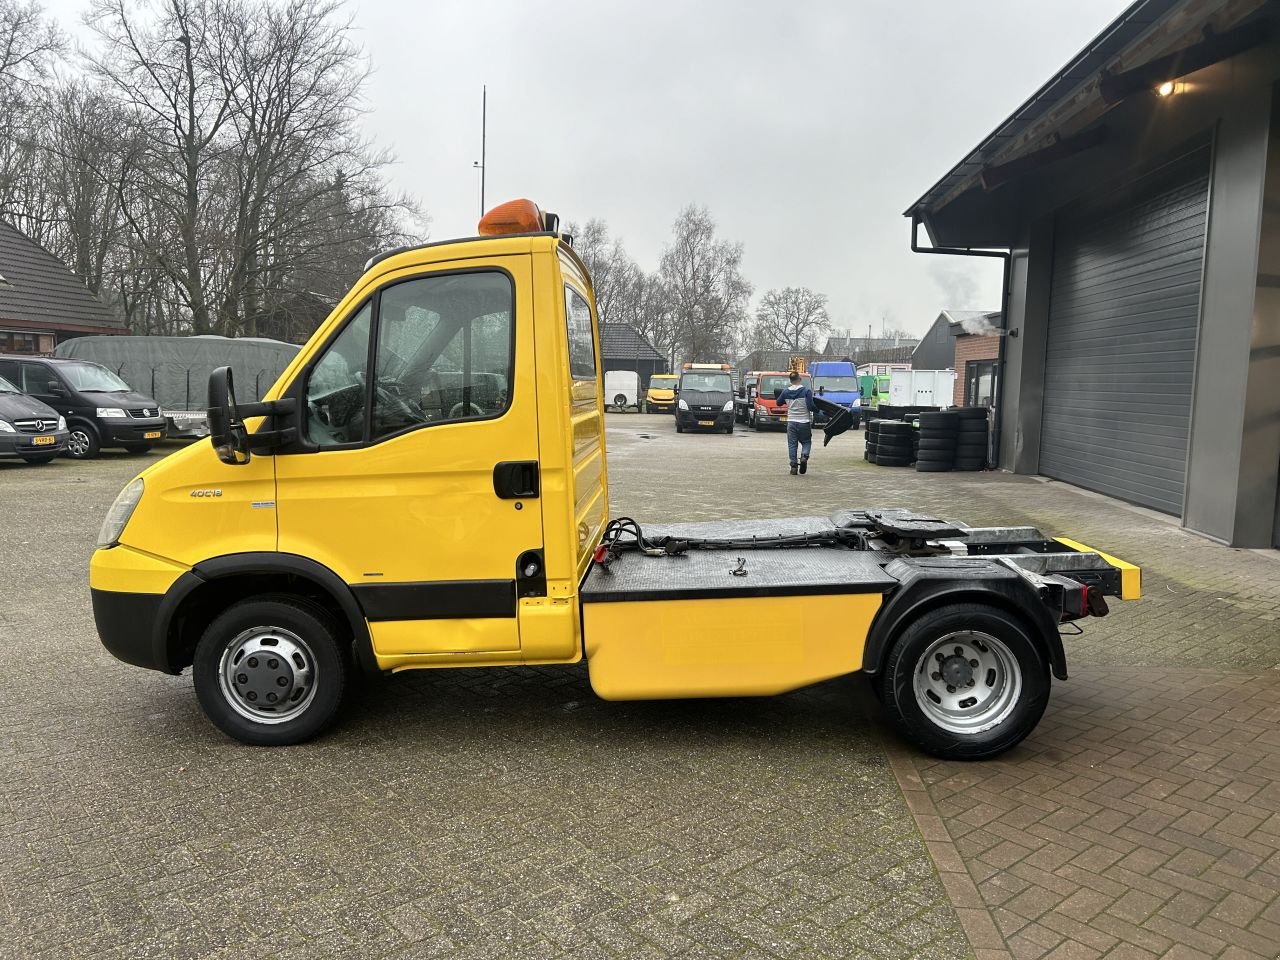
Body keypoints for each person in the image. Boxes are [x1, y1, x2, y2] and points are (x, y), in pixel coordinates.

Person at [775, 371, 814, 475]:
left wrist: (787, 401)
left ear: (790, 380)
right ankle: (804, 456)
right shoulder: (806, 391)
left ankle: (793, 467)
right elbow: (810, 406)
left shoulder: (785, 392)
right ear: (799, 379)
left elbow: (778, 402)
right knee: (806, 442)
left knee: (792, 444)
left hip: (791, 422)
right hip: (804, 422)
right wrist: (818, 409)